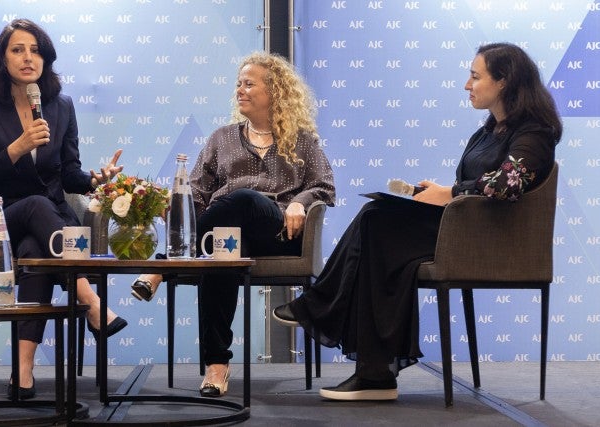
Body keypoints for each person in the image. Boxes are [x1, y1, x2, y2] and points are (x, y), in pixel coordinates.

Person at [271, 42, 562, 401]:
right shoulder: (489, 131)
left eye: (474, 76)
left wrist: (451, 192)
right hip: (464, 230)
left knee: (377, 221)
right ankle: (371, 370)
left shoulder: (534, 131)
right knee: (376, 220)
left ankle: (337, 327)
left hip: (490, 244)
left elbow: (508, 183)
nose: (466, 85)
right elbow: (475, 188)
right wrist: (438, 192)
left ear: (504, 81)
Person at [128, 51, 335, 398]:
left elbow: (325, 186)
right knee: (222, 253)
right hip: (225, 236)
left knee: (244, 198)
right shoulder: (221, 138)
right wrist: (172, 204)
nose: (240, 90)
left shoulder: (303, 140)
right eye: (239, 83)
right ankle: (217, 367)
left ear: (275, 92)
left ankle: (166, 263)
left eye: (249, 84)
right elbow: (197, 191)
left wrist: (299, 202)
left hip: (278, 232)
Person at [0, 18, 127, 401]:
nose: (28, 58)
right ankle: (91, 301)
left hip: (45, 230)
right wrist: (17, 147)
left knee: (36, 255)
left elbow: (67, 174)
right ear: (2, 59)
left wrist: (95, 180)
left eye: (35, 50)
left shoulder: (60, 105)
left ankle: (22, 372)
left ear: (46, 59)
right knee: (37, 206)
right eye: (17, 50)